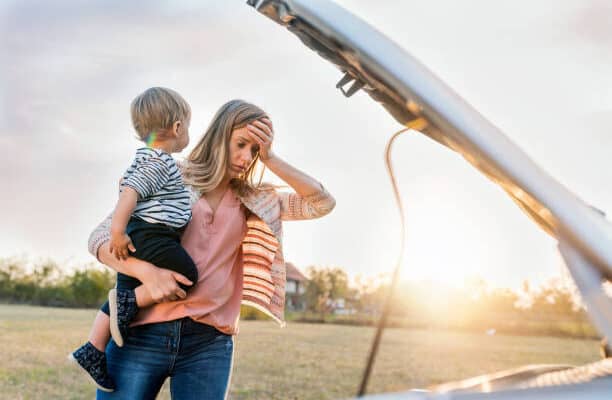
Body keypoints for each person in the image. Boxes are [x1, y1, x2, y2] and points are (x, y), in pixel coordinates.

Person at [85, 99, 335, 399]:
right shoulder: (170, 174)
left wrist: (271, 158)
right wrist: (147, 273)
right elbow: (99, 239)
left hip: (208, 344)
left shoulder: (256, 200)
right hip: (140, 332)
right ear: (220, 135)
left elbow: (322, 203)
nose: (246, 157)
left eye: (254, 151)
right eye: (241, 144)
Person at [69, 87, 198, 392]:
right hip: (153, 235)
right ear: (178, 128)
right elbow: (130, 193)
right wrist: (117, 232)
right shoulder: (159, 162)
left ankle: (93, 349)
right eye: (188, 126)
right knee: (188, 276)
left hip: (146, 234)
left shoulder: (145, 158)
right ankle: (128, 305)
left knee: (124, 290)